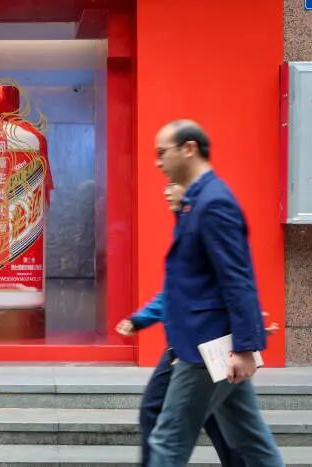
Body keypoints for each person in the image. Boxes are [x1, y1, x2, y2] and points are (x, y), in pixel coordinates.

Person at [144, 120, 283, 467]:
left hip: (207, 347)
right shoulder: (196, 202)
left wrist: (246, 348)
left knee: (167, 441)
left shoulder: (215, 202)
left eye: (162, 152)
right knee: (251, 442)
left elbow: (237, 278)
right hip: (209, 345)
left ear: (189, 148)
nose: (158, 162)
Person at [116, 183, 247, 467]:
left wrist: (246, 332)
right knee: (214, 417)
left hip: (202, 343)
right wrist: (140, 319)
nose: (165, 191)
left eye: (172, 185)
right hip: (192, 342)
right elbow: (174, 293)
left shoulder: (203, 226)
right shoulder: (187, 226)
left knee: (161, 410)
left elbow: (234, 283)